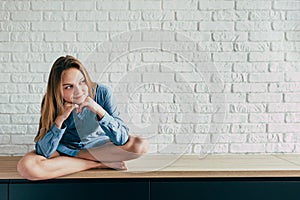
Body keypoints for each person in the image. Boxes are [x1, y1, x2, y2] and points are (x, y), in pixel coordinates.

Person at [17, 55, 148, 180]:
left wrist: (98, 110)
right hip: (65, 148)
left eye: (82, 82)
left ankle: (81, 159)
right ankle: (97, 164)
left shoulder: (102, 93)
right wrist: (60, 119)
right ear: (58, 90)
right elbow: (44, 151)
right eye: (68, 87)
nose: (78, 91)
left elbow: (122, 138)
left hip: (99, 148)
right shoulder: (51, 101)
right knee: (26, 167)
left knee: (140, 145)